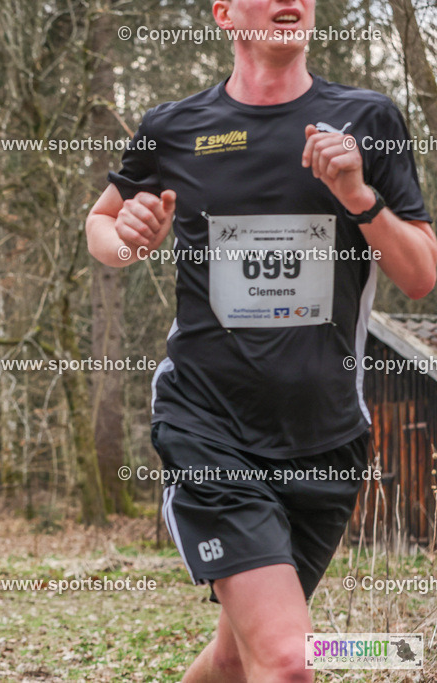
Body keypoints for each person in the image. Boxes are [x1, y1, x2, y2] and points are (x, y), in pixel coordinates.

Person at [86, 1, 437, 680]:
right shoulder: (175, 127)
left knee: (235, 656)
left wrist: (359, 197)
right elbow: (101, 225)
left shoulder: (369, 121)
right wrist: (125, 237)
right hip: (209, 424)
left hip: (325, 436)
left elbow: (420, 275)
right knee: (288, 660)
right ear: (223, 12)